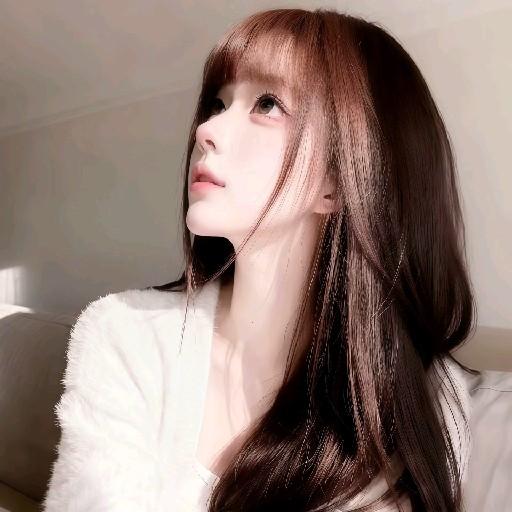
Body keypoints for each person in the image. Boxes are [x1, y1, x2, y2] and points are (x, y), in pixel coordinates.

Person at [42, 7, 499, 512]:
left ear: (339, 178)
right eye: (217, 103)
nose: (205, 130)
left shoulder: (418, 408)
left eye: (267, 103)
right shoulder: (125, 334)